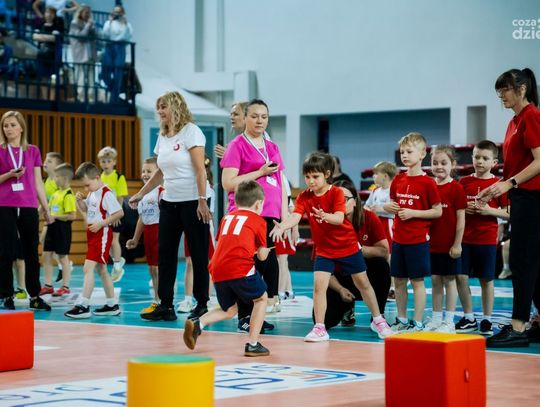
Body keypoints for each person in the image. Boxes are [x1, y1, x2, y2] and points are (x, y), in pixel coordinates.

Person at [271, 152, 392, 341]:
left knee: (363, 283)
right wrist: (283, 226)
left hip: (348, 246)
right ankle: (320, 328)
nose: (310, 181)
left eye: (315, 176)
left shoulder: (336, 193)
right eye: (307, 176)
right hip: (324, 250)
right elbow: (295, 216)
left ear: (327, 174)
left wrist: (326, 216)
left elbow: (339, 218)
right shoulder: (304, 196)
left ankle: (378, 320)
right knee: (318, 287)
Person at [129, 91, 212, 322]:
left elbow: (200, 170)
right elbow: (160, 172)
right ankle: (166, 305)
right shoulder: (163, 136)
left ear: (175, 107)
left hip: (193, 202)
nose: (160, 112)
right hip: (169, 202)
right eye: (158, 108)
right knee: (165, 254)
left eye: (163, 107)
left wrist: (202, 200)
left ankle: (202, 304)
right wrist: (141, 193)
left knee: (198, 254)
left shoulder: (191, 132)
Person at [478, 68, 540, 347]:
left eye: (505, 89)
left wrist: (510, 183)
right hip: (522, 197)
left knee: (522, 262)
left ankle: (518, 327)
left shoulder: (532, 116)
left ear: (521, 89)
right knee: (532, 263)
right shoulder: (515, 121)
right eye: (499, 91)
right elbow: (516, 165)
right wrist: (497, 187)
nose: (501, 95)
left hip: (534, 199)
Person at [183, 180, 271, 357]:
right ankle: (253, 344)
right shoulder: (259, 220)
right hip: (239, 267)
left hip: (217, 269)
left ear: (237, 201)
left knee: (229, 309)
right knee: (261, 299)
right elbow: (261, 256)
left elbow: (228, 242)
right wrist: (265, 250)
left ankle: (199, 323)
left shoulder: (227, 218)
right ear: (258, 204)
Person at [221, 99, 286, 330]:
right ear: (245, 118)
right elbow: (228, 183)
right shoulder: (237, 145)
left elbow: (280, 183)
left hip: (270, 215)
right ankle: (244, 317)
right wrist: (259, 172)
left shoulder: (272, 147)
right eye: (255, 116)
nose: (260, 121)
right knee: (250, 265)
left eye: (264, 117)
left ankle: (255, 315)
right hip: (246, 215)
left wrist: (284, 217)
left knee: (266, 264)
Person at [383, 132, 442, 332]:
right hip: (398, 239)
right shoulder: (398, 179)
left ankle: (417, 321)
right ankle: (401, 318)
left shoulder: (428, 183)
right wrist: (388, 207)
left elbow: (437, 211)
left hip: (417, 240)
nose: (405, 155)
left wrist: (414, 213)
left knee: (417, 282)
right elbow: (392, 204)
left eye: (409, 151)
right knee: (399, 281)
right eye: (402, 152)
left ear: (422, 154)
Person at [321, 179, 391, 329]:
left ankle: (378, 316)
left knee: (381, 265)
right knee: (324, 321)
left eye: (345, 199)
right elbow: (322, 267)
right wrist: (340, 289)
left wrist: (357, 249)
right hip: (340, 278)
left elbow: (384, 252)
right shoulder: (326, 222)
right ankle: (347, 307)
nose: (340, 203)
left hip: (364, 274)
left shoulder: (369, 217)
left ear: (355, 201)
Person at [456, 140, 509, 335]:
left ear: (494, 162)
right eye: (477, 157)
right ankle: (469, 317)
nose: (479, 161)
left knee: (486, 280)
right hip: (464, 239)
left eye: (485, 158)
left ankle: (487, 319)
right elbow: (454, 208)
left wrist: (488, 210)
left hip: (486, 239)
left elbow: (509, 213)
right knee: (461, 277)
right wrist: (464, 208)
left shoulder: (499, 185)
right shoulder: (463, 182)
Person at [0, 110, 52, 311]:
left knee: (31, 251)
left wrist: (46, 209)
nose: (9, 129)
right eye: (5, 125)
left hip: (29, 205)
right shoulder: (0, 150)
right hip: (5, 205)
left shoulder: (32, 150)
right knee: (5, 251)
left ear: (21, 127)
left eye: (13, 125)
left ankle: (35, 296)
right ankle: (6, 294)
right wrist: (9, 175)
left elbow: (38, 182)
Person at [65, 162, 123, 318]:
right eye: (84, 186)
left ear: (97, 178)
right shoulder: (92, 192)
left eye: (87, 185)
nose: (86, 189)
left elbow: (119, 213)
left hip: (101, 233)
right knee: (101, 270)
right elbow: (86, 210)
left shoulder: (106, 193)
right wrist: (79, 202)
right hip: (93, 233)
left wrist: (102, 223)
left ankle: (83, 305)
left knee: (87, 268)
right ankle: (112, 304)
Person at [424, 145, 467, 333]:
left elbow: (461, 219)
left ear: (453, 164)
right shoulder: (429, 186)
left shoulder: (456, 188)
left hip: (450, 245)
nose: (439, 166)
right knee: (435, 280)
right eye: (435, 163)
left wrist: (457, 244)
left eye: (443, 163)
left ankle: (449, 321)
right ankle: (436, 319)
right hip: (432, 244)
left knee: (450, 280)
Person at [177, 155, 216, 313]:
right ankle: (187, 299)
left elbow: (208, 214)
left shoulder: (208, 189)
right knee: (189, 263)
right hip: (190, 227)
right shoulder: (186, 187)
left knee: (207, 264)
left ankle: (207, 298)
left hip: (205, 227)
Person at [126, 157, 163, 315]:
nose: (145, 174)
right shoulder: (142, 194)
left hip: (159, 231)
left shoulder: (161, 191)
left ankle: (163, 300)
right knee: (152, 269)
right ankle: (157, 299)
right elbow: (141, 218)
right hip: (148, 232)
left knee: (159, 268)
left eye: (149, 171)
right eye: (143, 171)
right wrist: (135, 239)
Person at [40, 163, 76, 297]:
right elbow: (49, 209)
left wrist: (55, 217)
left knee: (62, 257)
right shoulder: (55, 193)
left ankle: (65, 287)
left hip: (62, 228)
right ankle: (48, 285)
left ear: (65, 178)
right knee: (46, 255)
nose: (54, 179)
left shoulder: (68, 195)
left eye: (57, 176)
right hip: (52, 227)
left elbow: (72, 216)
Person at [364, 161, 397, 299]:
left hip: (388, 224)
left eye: (376, 174)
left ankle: (393, 287)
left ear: (385, 176)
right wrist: (368, 210)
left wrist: (380, 209)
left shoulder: (393, 190)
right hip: (376, 224)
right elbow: (367, 205)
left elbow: (395, 209)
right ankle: (381, 283)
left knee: (389, 256)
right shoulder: (375, 191)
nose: (373, 176)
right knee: (378, 254)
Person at [98, 146, 128, 282]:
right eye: (103, 161)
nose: (106, 164)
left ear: (114, 162)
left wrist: (116, 213)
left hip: (116, 212)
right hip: (104, 215)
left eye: (108, 161)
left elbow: (120, 197)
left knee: (114, 240)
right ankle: (118, 260)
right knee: (107, 241)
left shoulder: (119, 177)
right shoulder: (99, 177)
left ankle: (117, 267)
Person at [100, 4, 132, 103]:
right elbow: (105, 34)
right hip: (109, 46)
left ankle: (113, 100)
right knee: (105, 71)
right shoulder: (108, 23)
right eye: (115, 11)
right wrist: (110, 23)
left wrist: (125, 23)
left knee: (118, 72)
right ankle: (113, 89)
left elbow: (127, 36)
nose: (117, 14)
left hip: (120, 47)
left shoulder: (127, 24)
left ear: (122, 13)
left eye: (119, 12)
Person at [32, 6, 64, 98]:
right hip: (42, 55)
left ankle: (52, 99)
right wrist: (47, 37)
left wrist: (42, 37)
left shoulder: (57, 25)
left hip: (53, 55)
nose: (49, 15)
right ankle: (45, 98)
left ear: (54, 15)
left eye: (51, 13)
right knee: (43, 78)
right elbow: (34, 37)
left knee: (53, 78)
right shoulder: (41, 25)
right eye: (47, 12)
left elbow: (54, 38)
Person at [68, 4, 96, 102]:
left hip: (90, 54)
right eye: (86, 12)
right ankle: (81, 97)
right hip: (80, 54)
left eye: (89, 13)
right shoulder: (74, 23)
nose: (88, 14)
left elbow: (95, 36)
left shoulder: (89, 23)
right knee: (81, 76)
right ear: (80, 12)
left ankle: (91, 97)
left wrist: (92, 27)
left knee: (91, 77)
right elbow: (81, 37)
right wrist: (88, 26)